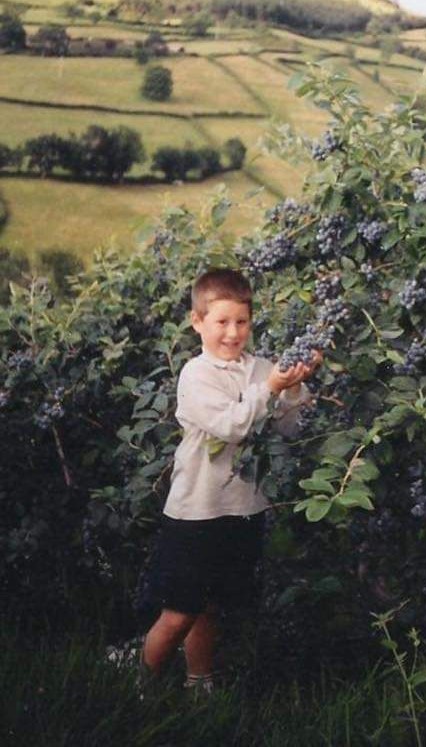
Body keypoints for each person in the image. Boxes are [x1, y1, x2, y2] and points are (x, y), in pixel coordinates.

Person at [140, 267, 319, 694]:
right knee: (179, 612)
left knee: (208, 607)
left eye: (241, 322)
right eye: (221, 322)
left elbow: (290, 428)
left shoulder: (259, 369)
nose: (232, 332)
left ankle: (199, 684)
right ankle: (140, 689)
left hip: (242, 510)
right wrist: (271, 387)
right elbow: (233, 426)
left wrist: (293, 388)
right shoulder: (195, 376)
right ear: (197, 322)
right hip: (196, 513)